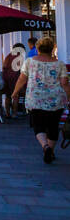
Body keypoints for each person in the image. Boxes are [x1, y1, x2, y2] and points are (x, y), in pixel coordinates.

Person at [11, 36, 70, 164]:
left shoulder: (29, 62)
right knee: (53, 126)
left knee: (39, 126)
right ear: (52, 49)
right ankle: (51, 152)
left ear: (38, 49)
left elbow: (22, 79)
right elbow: (65, 83)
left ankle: (45, 146)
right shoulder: (59, 64)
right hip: (56, 100)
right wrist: (69, 97)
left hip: (35, 99)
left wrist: (15, 92)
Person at [2, 43, 27, 117]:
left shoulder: (8, 56)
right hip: (15, 78)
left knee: (8, 96)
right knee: (16, 96)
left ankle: (7, 113)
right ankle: (14, 113)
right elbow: (21, 69)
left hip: (6, 78)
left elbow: (4, 66)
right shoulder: (19, 57)